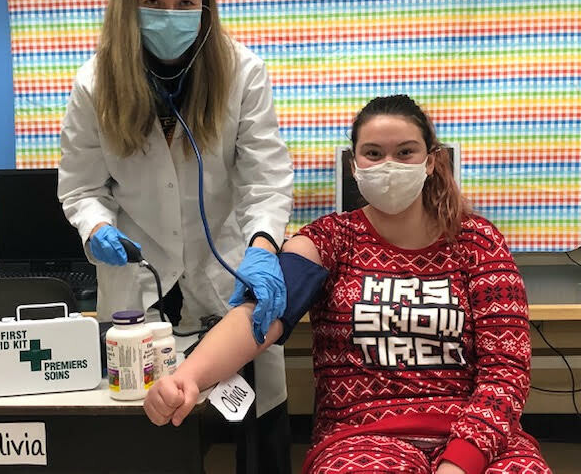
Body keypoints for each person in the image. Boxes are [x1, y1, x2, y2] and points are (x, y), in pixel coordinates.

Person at [143, 94, 551, 474]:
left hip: (477, 435)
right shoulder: (329, 240)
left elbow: (506, 371)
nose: (388, 164)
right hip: (362, 440)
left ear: (431, 161)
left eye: (405, 152)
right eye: (373, 154)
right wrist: (189, 378)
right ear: (354, 165)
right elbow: (260, 315)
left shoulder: (478, 242)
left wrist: (459, 462)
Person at [57, 0, 293, 473]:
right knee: (153, 444)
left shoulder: (240, 72)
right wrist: (95, 227)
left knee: (253, 443)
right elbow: (81, 187)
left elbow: (267, 180)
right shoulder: (97, 84)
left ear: (205, 5)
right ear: (128, 7)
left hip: (228, 281)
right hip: (140, 294)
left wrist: (262, 246)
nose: (172, 15)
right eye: (154, 4)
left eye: (186, 3)